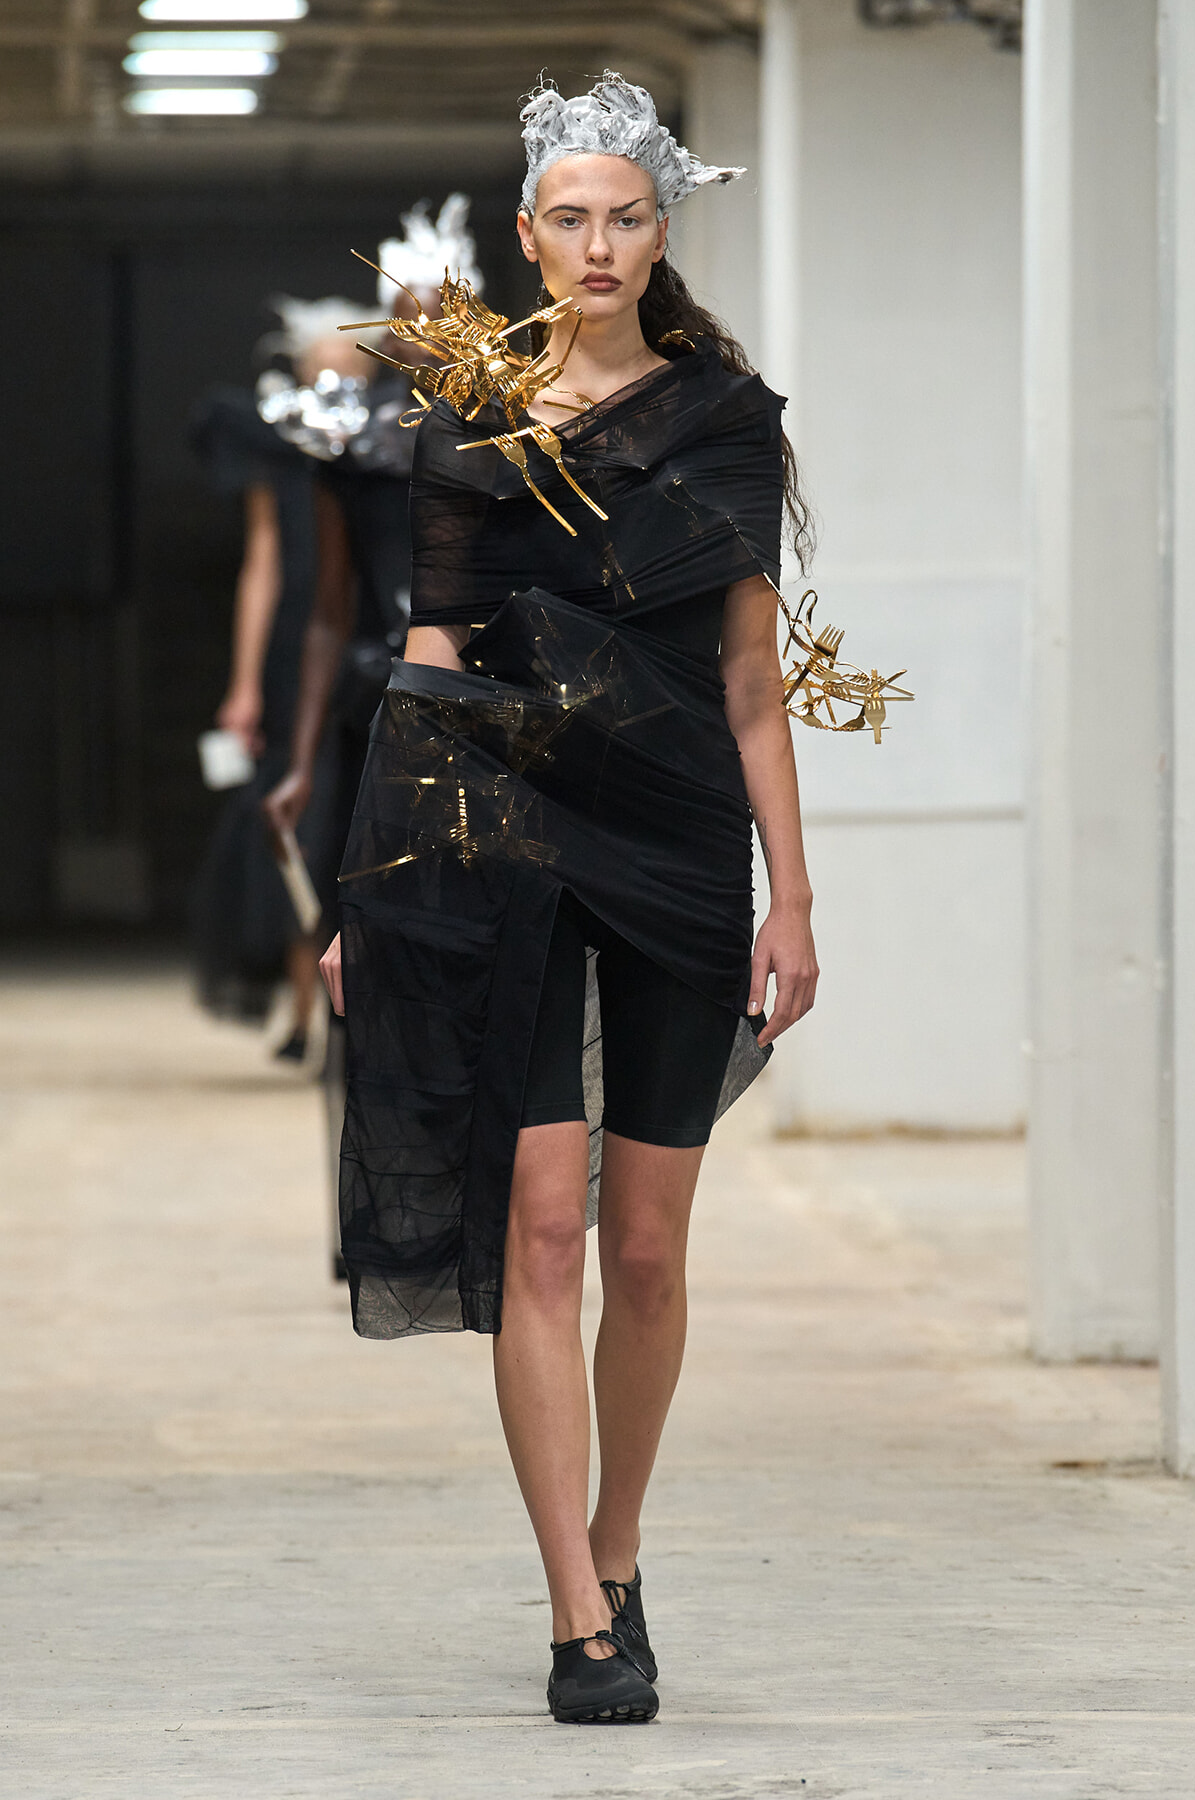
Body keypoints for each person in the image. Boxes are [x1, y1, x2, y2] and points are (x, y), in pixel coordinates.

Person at [320, 75, 819, 1724]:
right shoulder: (472, 421)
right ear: (527, 238)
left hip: (681, 840)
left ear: (661, 234)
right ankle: (576, 1619)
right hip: (498, 836)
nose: (599, 243)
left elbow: (753, 680)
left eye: (628, 216)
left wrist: (792, 898)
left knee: (652, 1252)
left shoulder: (726, 421)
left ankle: (617, 1550)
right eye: (570, 217)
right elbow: (437, 658)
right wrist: (369, 885)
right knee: (541, 1223)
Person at [263, 197, 484, 1275]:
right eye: (411, 309)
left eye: (445, 306)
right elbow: (325, 606)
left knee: (481, 973)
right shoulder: (346, 442)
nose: (426, 325)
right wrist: (299, 757)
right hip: (372, 729)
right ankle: (382, 1220)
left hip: (496, 737)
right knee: (368, 973)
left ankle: (472, 1212)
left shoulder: (520, 429)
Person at [189, 294, 370, 1051]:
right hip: (298, 651)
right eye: (316, 375)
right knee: (300, 826)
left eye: (346, 376)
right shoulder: (273, 454)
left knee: (354, 825)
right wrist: (244, 685)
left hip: (370, 645)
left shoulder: (388, 448)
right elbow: (260, 565)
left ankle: (342, 1011)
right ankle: (304, 1009)